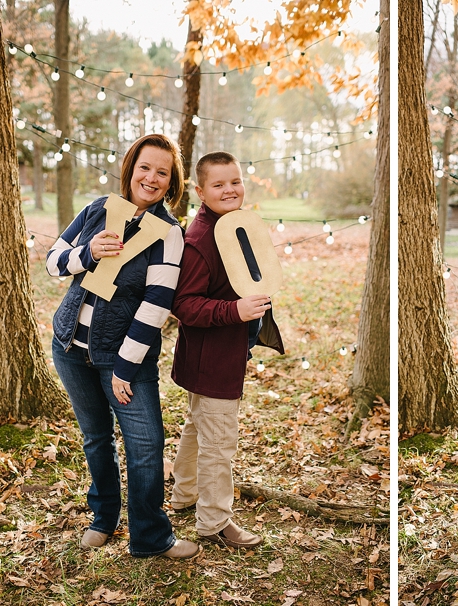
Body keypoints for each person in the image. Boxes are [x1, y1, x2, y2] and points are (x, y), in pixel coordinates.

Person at [47, 133, 199, 559]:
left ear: (171, 183)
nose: (150, 177)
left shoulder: (169, 234)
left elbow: (156, 305)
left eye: (162, 173)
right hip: (69, 346)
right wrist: (87, 252)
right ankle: (104, 517)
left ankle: (150, 535)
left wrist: (125, 368)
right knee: (96, 437)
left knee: (146, 444)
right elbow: (53, 261)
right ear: (131, 167)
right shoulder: (98, 210)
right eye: (144, 167)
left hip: (123, 356)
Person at [170, 151, 284, 548]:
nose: (229, 189)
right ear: (200, 191)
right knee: (219, 441)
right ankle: (214, 523)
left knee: (199, 426)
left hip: (222, 354)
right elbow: (183, 304)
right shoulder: (200, 239)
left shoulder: (234, 227)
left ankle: (183, 494)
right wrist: (234, 310)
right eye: (218, 184)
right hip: (211, 358)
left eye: (234, 181)